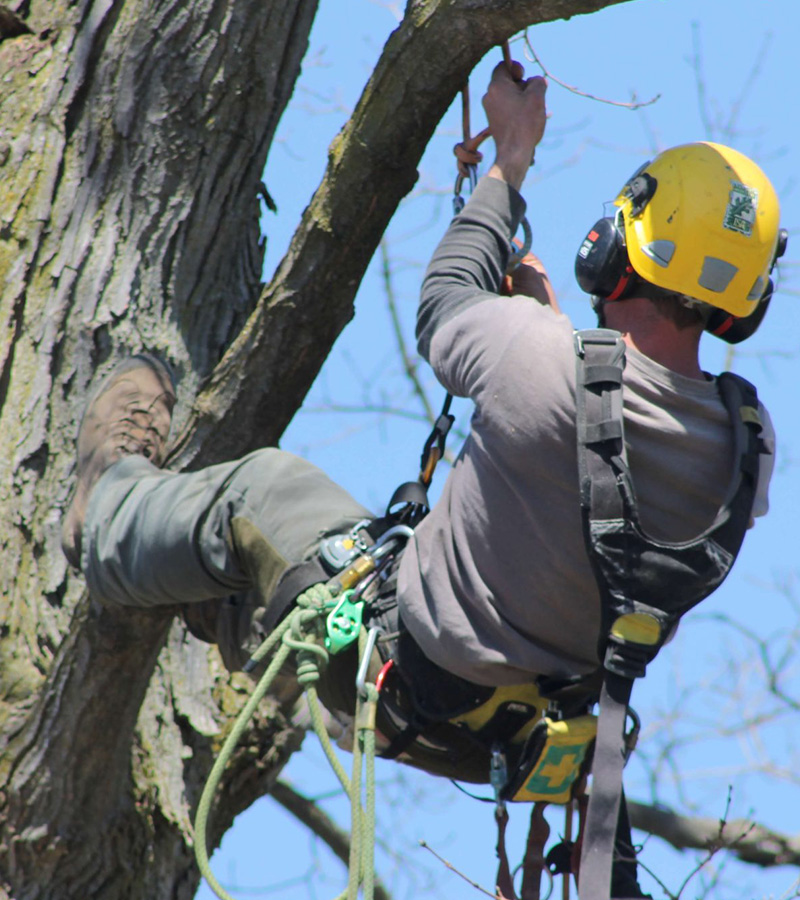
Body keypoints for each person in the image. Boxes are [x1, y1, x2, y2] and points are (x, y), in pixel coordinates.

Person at [61, 63, 779, 897]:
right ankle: (206, 600)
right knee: (284, 569)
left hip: (400, 672)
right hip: (507, 739)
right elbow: (613, 459)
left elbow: (444, 302)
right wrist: (546, 332)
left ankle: (102, 512)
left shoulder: (538, 358)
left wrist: (509, 166)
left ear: (619, 246)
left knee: (261, 491)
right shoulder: (746, 452)